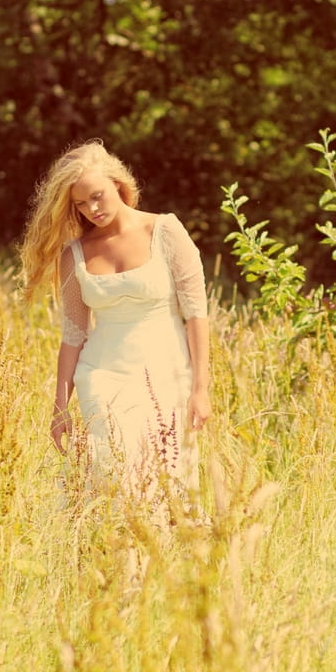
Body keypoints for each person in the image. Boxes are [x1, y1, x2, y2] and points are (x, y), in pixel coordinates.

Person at [21, 140, 211, 502]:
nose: (92, 209)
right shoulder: (73, 255)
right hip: (102, 376)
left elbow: (197, 314)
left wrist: (201, 389)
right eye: (80, 203)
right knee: (112, 480)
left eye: (97, 196)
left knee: (166, 481)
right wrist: (60, 407)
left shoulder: (166, 231)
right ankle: (100, 553)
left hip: (167, 376)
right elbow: (73, 335)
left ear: (117, 184)